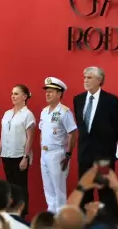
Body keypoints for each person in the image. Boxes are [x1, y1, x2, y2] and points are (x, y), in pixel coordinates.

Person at [72, 66, 118, 214]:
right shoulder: (78, 99)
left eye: (89, 77)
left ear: (99, 80)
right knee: (84, 192)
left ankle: (107, 222)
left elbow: (117, 127)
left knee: (105, 192)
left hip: (103, 156)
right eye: (85, 77)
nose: (85, 80)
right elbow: (81, 126)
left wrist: (111, 152)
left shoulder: (110, 100)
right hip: (84, 154)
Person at [0, 84, 35, 218]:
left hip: (19, 156)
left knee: (21, 187)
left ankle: (22, 213)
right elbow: (3, 135)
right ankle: (12, 212)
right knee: (10, 186)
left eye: (16, 93)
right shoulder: (7, 113)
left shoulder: (28, 115)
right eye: (12, 93)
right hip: (7, 155)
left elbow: (30, 138)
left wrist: (26, 157)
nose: (13, 96)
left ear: (24, 97)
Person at [39, 77, 77, 214]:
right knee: (48, 189)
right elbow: (42, 132)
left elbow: (72, 133)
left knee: (58, 189)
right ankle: (51, 217)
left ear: (59, 94)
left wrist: (68, 154)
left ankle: (61, 219)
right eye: (46, 91)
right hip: (44, 153)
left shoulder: (64, 112)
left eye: (51, 92)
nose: (47, 94)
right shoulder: (44, 112)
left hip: (57, 153)